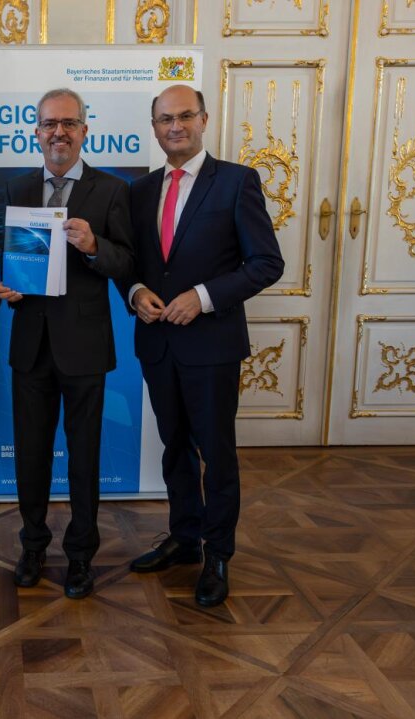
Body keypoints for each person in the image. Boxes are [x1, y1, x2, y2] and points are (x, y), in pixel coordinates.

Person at [119, 85, 284, 607]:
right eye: (165, 118)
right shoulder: (140, 191)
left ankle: (218, 554)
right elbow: (134, 264)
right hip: (158, 344)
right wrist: (136, 291)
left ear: (204, 119)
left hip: (211, 345)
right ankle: (184, 538)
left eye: (185, 116)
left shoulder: (236, 182)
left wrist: (204, 296)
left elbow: (266, 263)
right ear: (154, 126)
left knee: (217, 454)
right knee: (175, 449)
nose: (175, 126)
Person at [0, 88, 133, 599]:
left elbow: (126, 262)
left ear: (84, 131)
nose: (59, 132)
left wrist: (96, 246)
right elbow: (4, 254)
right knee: (30, 455)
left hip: (85, 347)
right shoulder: (18, 187)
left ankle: (80, 556)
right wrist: (6, 286)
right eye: (49, 124)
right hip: (30, 343)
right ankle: (32, 546)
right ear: (36, 132)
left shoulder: (111, 191)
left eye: (69, 123)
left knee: (84, 457)